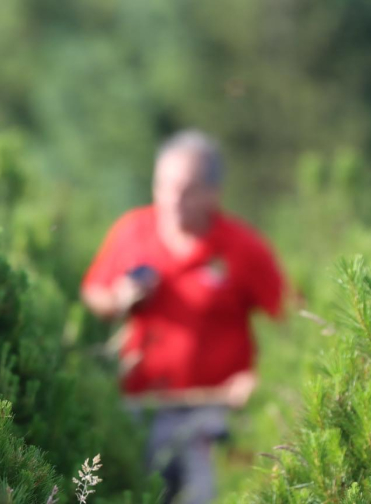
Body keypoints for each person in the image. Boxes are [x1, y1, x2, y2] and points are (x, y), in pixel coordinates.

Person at [81, 130, 287, 504]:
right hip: (139, 411)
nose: (173, 199)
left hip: (214, 414)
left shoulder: (243, 247)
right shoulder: (132, 231)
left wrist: (256, 378)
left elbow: (287, 319)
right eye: (164, 186)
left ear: (213, 193)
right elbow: (94, 293)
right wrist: (120, 299)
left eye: (187, 189)